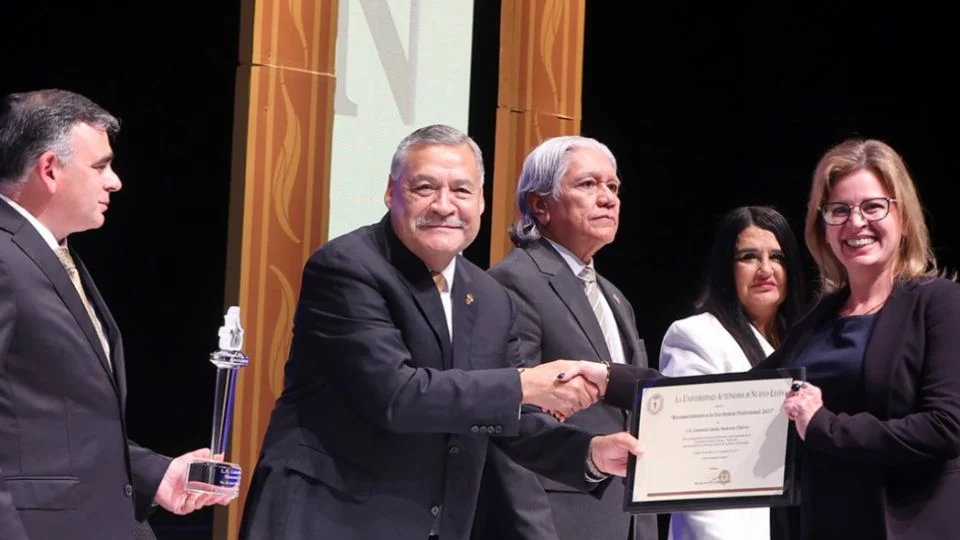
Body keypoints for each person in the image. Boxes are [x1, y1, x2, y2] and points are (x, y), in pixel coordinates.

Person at [237, 125, 642, 540]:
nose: (445, 205)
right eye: (425, 188)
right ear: (391, 193)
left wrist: (590, 454)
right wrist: (524, 385)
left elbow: (506, 420)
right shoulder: (346, 267)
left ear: (482, 202)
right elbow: (397, 395)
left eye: (462, 191)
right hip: (329, 517)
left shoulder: (489, 295)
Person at [0, 89, 231, 540]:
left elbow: (62, 429)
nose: (115, 182)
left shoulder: (51, 253)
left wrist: (155, 475)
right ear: (49, 169)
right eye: (100, 166)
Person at [759, 138, 960, 540]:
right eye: (839, 210)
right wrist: (616, 381)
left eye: (873, 207)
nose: (856, 223)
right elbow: (736, 394)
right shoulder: (820, 317)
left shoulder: (939, 303)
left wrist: (826, 427)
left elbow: (946, 425)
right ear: (824, 228)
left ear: (903, 218)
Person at [475, 135, 660, 540]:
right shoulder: (513, 281)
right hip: (561, 523)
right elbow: (510, 421)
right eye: (588, 184)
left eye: (613, 187)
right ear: (540, 205)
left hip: (624, 521)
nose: (608, 198)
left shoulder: (614, 296)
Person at [658, 206, 806, 540]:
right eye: (749, 257)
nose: (765, 269)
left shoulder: (805, 341)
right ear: (726, 268)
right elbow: (696, 471)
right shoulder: (696, 336)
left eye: (778, 257)